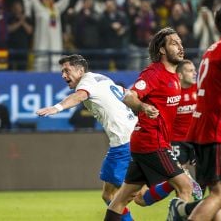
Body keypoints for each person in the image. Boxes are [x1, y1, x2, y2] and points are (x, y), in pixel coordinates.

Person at [167, 4, 221, 221]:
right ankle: (180, 211)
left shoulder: (213, 49)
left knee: (216, 193)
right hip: (217, 130)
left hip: (201, 129)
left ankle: (181, 210)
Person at [103, 27, 193, 221]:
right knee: (185, 187)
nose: (180, 47)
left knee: (122, 199)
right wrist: (143, 106)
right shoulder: (154, 73)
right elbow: (130, 96)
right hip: (151, 142)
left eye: (180, 42)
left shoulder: (174, 78)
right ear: (162, 50)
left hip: (149, 142)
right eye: (174, 43)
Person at [36, 54, 137, 221]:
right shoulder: (102, 78)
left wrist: (57, 107)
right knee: (108, 195)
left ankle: (178, 181)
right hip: (130, 137)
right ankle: (177, 180)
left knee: (139, 197)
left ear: (80, 70)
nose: (63, 76)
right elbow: (127, 95)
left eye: (67, 71)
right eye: (62, 72)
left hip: (124, 142)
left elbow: (80, 96)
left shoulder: (85, 83)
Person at [133, 59, 201, 207]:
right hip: (173, 142)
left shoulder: (199, 90)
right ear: (180, 75)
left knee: (185, 187)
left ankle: (183, 209)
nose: (195, 73)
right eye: (190, 70)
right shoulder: (170, 90)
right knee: (180, 185)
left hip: (194, 141)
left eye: (194, 70)